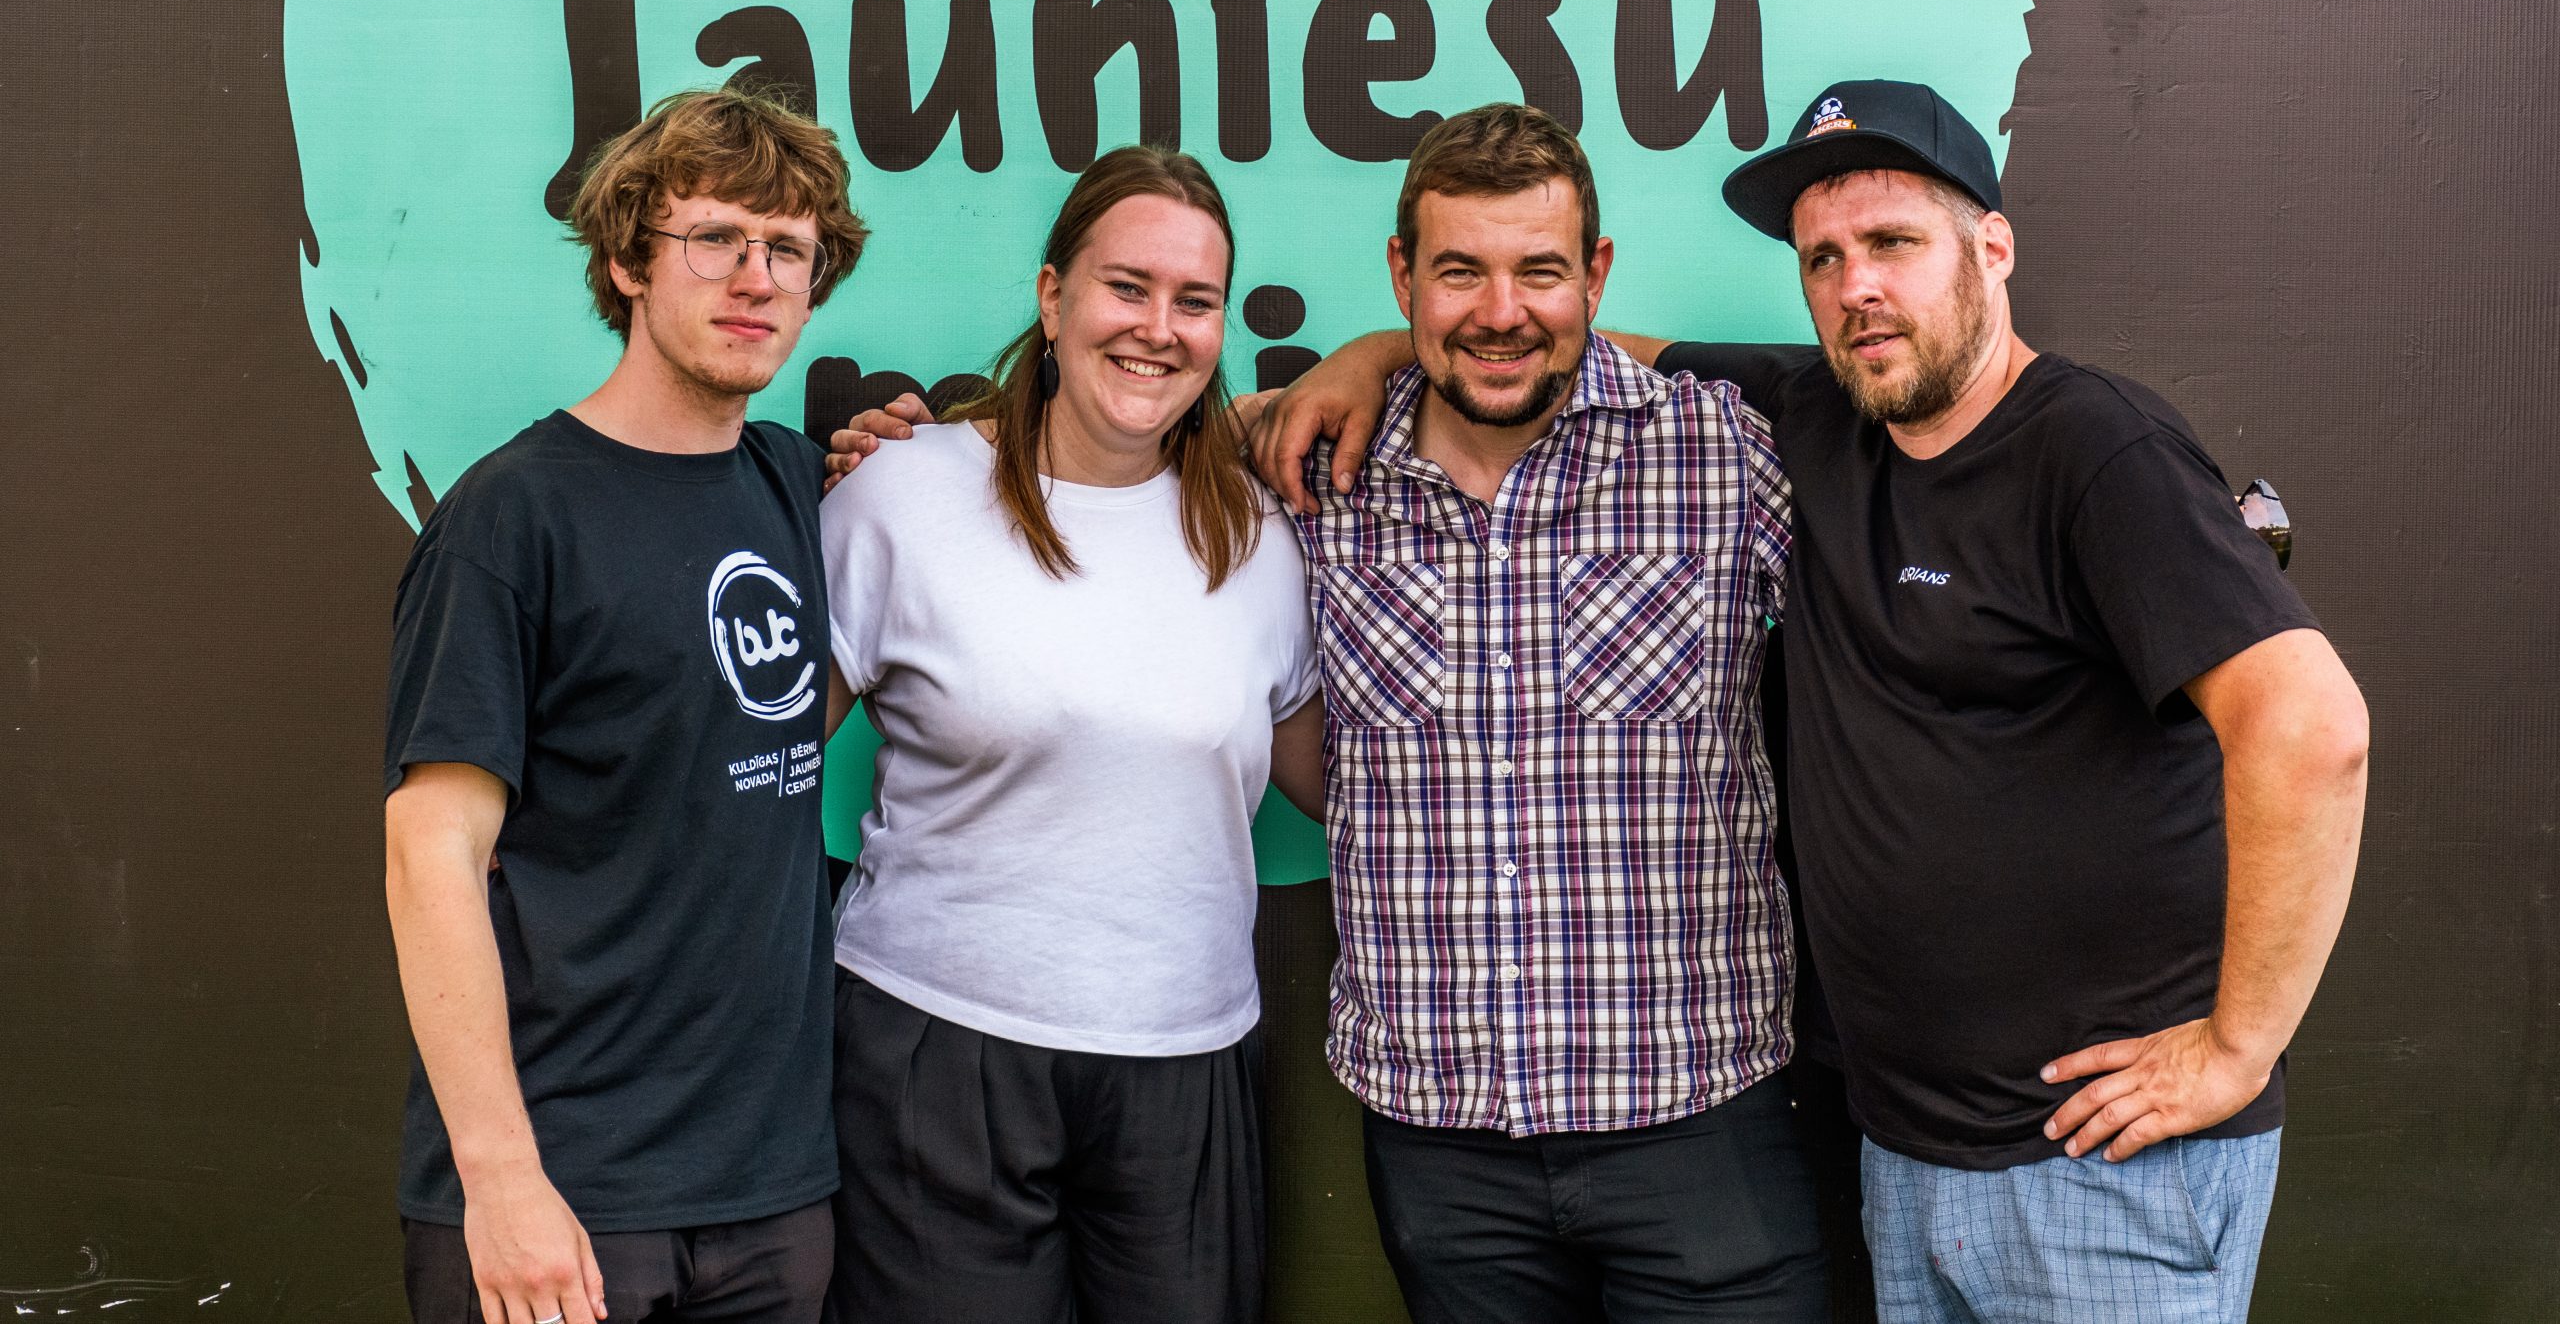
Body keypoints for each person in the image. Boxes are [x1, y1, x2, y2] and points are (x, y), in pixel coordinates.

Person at [1253, 79, 2371, 1324]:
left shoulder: (2084, 449)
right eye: (1822, 258)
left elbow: (2312, 729)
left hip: (2087, 1152)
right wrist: (1372, 355)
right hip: (1898, 1147)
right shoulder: (1816, 420)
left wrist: (2236, 1048)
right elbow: (1534, 346)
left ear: (1992, 247)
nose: (1856, 286)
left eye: (1892, 242)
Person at [1271, 103, 1824, 1321]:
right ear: (1402, 276)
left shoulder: (1722, 452)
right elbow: (1106, 451)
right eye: (1457, 271)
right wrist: (928, 448)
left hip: (1699, 1114)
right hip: (1440, 1136)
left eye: (1539, 270)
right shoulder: (1316, 480)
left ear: (1595, 275)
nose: (1500, 310)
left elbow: (1932, 449)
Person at [382, 88, 870, 1324]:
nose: (756, 278)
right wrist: (502, 1183)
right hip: (565, 1192)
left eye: (789, 249)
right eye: (715, 239)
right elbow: (430, 852)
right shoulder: (513, 517)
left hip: (771, 1193)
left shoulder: (800, 486)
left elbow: (733, 729)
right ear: (626, 260)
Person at [815, 146, 1322, 1324]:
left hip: (1186, 1062)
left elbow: (1347, 787)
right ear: (1053, 298)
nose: (1157, 329)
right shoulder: (901, 491)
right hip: (934, 1057)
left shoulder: (1261, 536)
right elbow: (757, 761)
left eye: (1194, 301)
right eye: (1125, 288)